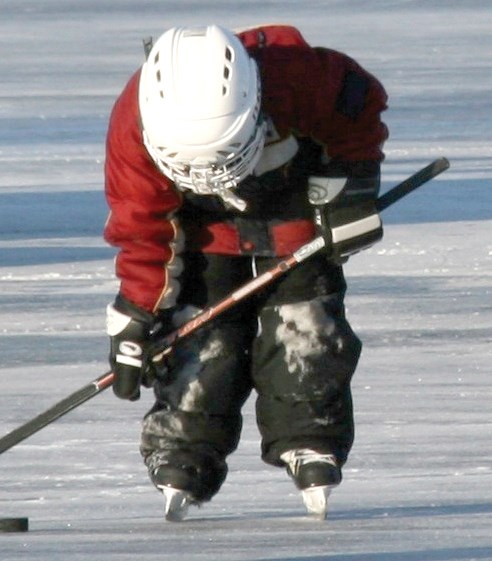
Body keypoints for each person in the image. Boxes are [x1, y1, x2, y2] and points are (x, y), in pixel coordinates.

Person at [103, 24, 388, 521]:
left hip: (297, 217)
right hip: (205, 234)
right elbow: (140, 226)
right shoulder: (133, 126)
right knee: (201, 336)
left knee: (306, 327)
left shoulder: (299, 78)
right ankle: (184, 448)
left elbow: (358, 109)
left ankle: (311, 434)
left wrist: (352, 189)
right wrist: (135, 315)